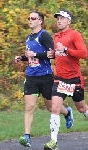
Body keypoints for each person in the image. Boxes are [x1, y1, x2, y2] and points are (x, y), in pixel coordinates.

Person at [15, 10, 73, 148]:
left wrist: (34, 53)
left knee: (51, 106)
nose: (30, 20)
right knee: (29, 107)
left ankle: (67, 112)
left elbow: (52, 54)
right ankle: (27, 137)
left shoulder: (44, 35)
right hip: (31, 77)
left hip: (45, 76)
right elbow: (31, 57)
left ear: (40, 21)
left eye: (33, 18)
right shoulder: (28, 38)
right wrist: (22, 58)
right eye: (29, 18)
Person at [44, 9, 88, 150]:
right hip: (59, 79)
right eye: (58, 18)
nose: (59, 20)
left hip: (74, 79)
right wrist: (52, 54)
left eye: (62, 18)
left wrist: (66, 49)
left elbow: (83, 53)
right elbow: (59, 55)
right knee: (55, 108)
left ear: (69, 21)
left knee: (81, 108)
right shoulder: (56, 36)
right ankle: (53, 142)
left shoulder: (74, 35)